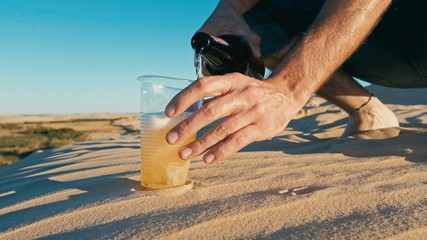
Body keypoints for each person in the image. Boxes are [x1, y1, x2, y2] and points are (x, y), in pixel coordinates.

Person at [165, 0, 427, 164]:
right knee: (252, 17)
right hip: (387, 42)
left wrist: (288, 87)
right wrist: (229, 10)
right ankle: (368, 111)